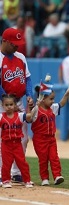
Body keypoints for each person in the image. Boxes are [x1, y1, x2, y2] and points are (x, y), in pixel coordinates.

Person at [0, 27, 34, 184]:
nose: (17, 46)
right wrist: (7, 102)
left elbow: (27, 79)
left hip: (19, 101)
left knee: (23, 138)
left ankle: (16, 172)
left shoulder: (20, 56)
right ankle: (2, 173)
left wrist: (29, 96)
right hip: (3, 104)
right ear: (5, 41)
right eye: (14, 43)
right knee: (3, 138)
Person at [30, 82, 69, 186]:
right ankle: (44, 178)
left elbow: (61, 104)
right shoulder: (36, 110)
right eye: (51, 99)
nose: (53, 101)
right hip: (40, 139)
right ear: (43, 99)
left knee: (54, 157)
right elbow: (30, 117)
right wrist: (35, 106)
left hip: (51, 138)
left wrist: (66, 94)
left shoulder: (52, 108)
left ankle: (57, 175)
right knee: (43, 159)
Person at [0, 94, 34, 188]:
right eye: (6, 105)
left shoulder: (19, 115)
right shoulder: (1, 116)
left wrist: (30, 107)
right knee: (6, 163)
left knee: (22, 162)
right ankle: (6, 180)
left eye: (11, 104)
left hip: (17, 144)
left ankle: (27, 180)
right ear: (3, 106)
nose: (9, 107)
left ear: (15, 105)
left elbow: (29, 117)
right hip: (6, 144)